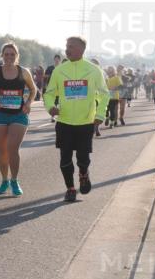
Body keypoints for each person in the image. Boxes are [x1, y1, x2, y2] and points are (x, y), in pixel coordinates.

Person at [41, 37, 107, 203]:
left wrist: (100, 115)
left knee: (83, 158)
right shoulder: (60, 70)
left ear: (81, 49)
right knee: (65, 158)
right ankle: (70, 188)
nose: (67, 50)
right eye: (66, 46)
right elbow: (49, 93)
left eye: (70, 46)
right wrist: (50, 107)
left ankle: (83, 173)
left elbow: (104, 93)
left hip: (85, 122)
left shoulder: (93, 70)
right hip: (64, 122)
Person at [0, 42, 36, 196]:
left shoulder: (24, 72)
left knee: (12, 148)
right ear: (2, 56)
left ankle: (14, 180)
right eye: (6, 54)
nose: (9, 57)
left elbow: (33, 89)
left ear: (17, 56)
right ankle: (4, 180)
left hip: (19, 114)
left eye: (12, 54)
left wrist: (28, 103)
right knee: (2, 150)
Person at [44, 54, 61, 122]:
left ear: (59, 60)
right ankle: (52, 117)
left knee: (59, 101)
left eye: (58, 59)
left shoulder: (62, 68)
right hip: (51, 87)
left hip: (60, 87)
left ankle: (61, 115)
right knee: (53, 101)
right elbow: (45, 76)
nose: (56, 60)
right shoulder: (50, 68)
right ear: (54, 60)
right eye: (55, 59)